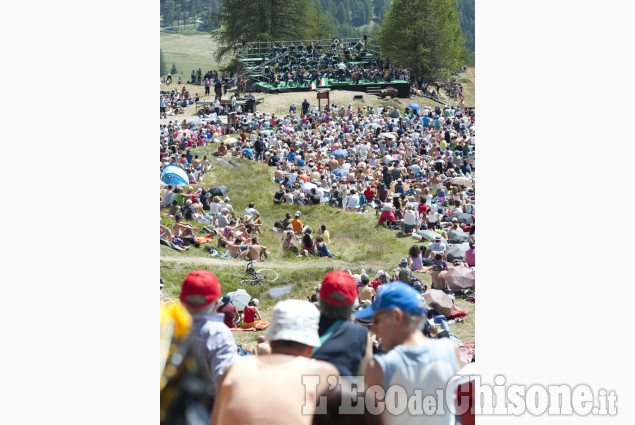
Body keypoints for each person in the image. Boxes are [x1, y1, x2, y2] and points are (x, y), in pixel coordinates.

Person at [211, 299, 339, 425]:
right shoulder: (323, 373)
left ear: (271, 341)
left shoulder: (234, 369)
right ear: (311, 347)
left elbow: (215, 420)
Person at [355, 282, 461, 425]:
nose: (373, 328)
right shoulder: (450, 349)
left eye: (377, 320)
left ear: (397, 317)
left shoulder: (379, 367)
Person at [178, 270, 237, 411]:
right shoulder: (218, 333)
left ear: (182, 300)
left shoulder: (170, 326)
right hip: (206, 409)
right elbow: (225, 382)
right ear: (216, 303)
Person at [312, 271, 373, 377]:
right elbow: (367, 377)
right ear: (353, 302)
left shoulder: (307, 328)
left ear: (321, 298)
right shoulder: (361, 334)